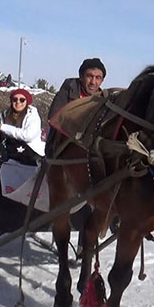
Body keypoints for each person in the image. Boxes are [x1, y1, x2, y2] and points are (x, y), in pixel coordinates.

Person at [45, 57, 107, 256]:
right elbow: (56, 118)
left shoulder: (103, 98)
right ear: (82, 76)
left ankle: (86, 239)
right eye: (90, 76)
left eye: (98, 77)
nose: (93, 82)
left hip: (89, 153)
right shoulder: (68, 90)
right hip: (62, 147)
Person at [0, 89, 44, 165]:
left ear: (27, 101)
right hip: (9, 149)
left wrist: (4, 128)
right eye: (15, 99)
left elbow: (28, 136)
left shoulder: (32, 115)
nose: (18, 102)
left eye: (22, 100)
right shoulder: (5, 114)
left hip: (30, 151)